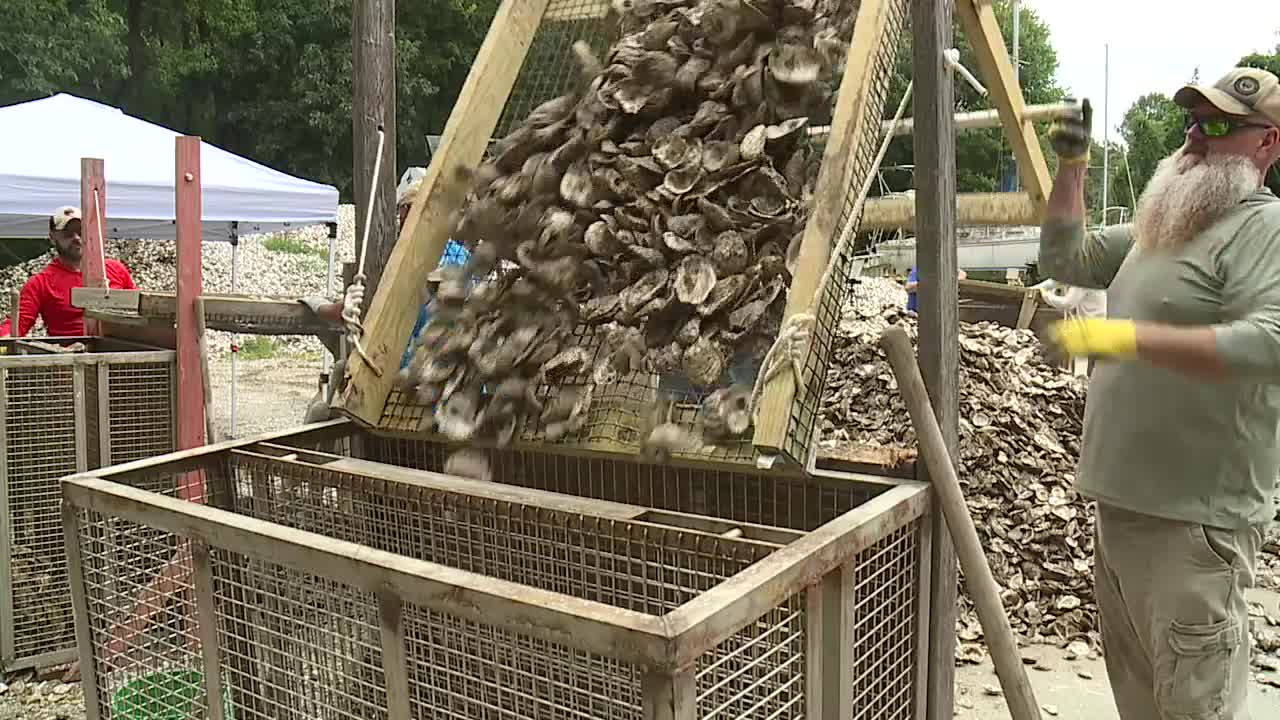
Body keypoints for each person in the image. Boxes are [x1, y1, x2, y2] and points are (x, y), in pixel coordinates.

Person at [1039, 67, 1280, 720]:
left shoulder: (1265, 230)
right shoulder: (1163, 227)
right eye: (1195, 122)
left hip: (1194, 530)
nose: (1199, 136)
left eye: (1222, 124)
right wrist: (1072, 166)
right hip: (1121, 513)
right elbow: (1067, 258)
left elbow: (1268, 344)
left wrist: (1119, 340)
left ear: (1268, 144)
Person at [0, 206, 137, 337]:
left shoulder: (116, 269)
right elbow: (18, 323)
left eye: (80, 231)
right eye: (68, 234)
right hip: (71, 355)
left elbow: (141, 308)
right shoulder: (40, 283)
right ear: (53, 238)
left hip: (120, 351)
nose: (76, 238)